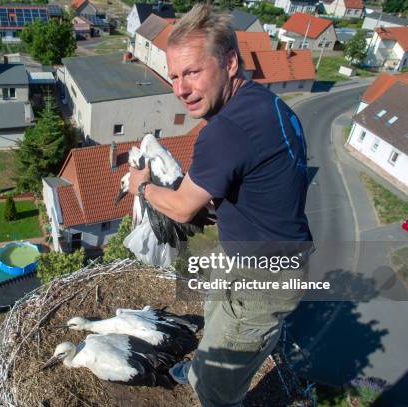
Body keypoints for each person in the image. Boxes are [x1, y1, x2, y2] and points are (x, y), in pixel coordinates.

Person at [127, 4, 313, 406]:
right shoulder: (269, 104)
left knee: (218, 389)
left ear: (230, 62)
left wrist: (141, 188)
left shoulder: (226, 131)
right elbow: (262, 182)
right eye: (174, 76)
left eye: (192, 72)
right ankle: (200, 369)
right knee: (216, 314)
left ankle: (211, 385)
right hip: (264, 253)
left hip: (263, 275)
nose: (180, 89)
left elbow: (179, 209)